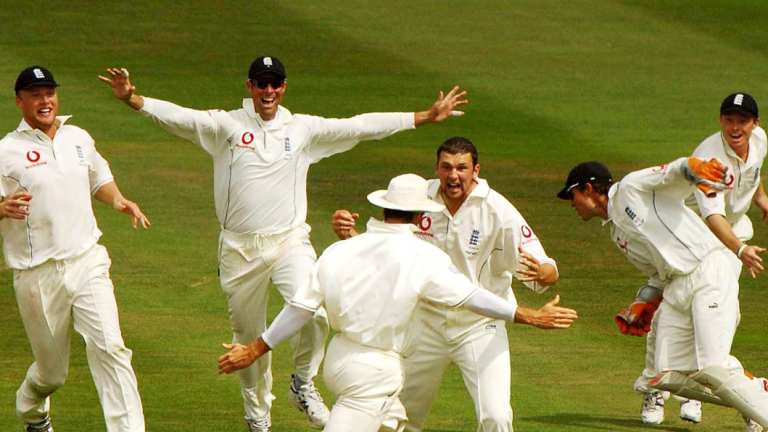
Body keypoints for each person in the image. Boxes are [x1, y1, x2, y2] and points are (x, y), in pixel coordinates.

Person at [98, 57, 468, 431]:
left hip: (290, 241)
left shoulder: (302, 130)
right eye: (262, 84)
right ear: (250, 87)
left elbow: (359, 126)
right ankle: (258, 419)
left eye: (275, 84)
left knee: (316, 313)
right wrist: (132, 98)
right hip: (239, 250)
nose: (268, 91)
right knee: (247, 340)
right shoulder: (226, 126)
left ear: (284, 87)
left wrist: (422, 116)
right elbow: (181, 117)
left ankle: (302, 382)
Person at [218, 173, 578, 432]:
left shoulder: (344, 249)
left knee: (396, 423)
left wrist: (255, 348)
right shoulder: (423, 257)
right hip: (376, 369)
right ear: (422, 211)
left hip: (338, 360)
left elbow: (300, 307)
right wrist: (524, 315)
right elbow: (470, 295)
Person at [332, 136, 562, 432]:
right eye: (446, 167)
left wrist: (546, 271)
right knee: (399, 416)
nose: (453, 176)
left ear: (476, 170)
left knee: (496, 417)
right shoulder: (418, 201)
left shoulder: (497, 210)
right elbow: (387, 249)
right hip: (425, 324)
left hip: (479, 325)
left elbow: (542, 262)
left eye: (462, 168)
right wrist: (351, 235)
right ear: (437, 169)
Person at [557, 156, 768, 430]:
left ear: (587, 188)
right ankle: (755, 392)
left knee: (712, 368)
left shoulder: (631, 188)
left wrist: (694, 166)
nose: (571, 204)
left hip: (709, 269)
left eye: (572, 195)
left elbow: (672, 173)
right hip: (677, 287)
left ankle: (759, 406)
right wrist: (643, 301)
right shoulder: (615, 232)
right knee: (665, 376)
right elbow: (658, 272)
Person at [1, 66, 151, 432]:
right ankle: (33, 410)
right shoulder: (6, 150)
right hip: (37, 274)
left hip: (87, 261)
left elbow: (98, 177)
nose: (45, 101)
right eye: (35, 95)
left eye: (49, 93)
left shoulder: (79, 138)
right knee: (52, 373)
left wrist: (118, 200)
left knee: (112, 349)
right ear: (20, 101)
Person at [629, 93, 767, 430]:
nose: (735, 127)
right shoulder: (710, 159)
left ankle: (752, 399)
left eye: (742, 121)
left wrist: (763, 200)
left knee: (709, 340)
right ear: (720, 120)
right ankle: (665, 392)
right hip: (698, 238)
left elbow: (753, 174)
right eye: (729, 119)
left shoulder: (760, 140)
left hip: (725, 245)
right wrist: (739, 250)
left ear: (755, 124)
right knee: (670, 321)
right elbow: (712, 217)